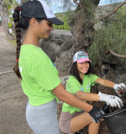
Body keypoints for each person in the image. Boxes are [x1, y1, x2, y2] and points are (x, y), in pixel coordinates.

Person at [12, 0, 104, 134]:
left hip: (34, 108)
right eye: (49, 24)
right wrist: (91, 109)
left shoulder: (25, 50)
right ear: (33, 22)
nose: (52, 28)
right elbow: (62, 95)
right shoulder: (37, 57)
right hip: (44, 114)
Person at [59, 51, 126, 134]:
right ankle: (74, 130)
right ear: (75, 64)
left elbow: (103, 82)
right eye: (81, 63)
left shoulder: (88, 77)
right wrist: (103, 97)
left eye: (86, 62)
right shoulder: (72, 80)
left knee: (99, 114)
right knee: (95, 115)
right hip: (67, 121)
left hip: (81, 112)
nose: (85, 65)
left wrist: (115, 86)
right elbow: (80, 95)